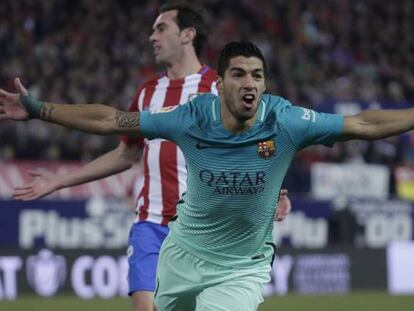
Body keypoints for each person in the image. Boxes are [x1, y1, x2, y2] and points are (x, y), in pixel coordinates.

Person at [0, 41, 358, 310]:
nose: (152, 37)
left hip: (225, 245)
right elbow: (122, 145)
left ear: (186, 34)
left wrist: (272, 192)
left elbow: (261, 150)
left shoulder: (223, 89)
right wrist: (49, 140)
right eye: (239, 74)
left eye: (160, 28)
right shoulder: (150, 93)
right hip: (161, 228)